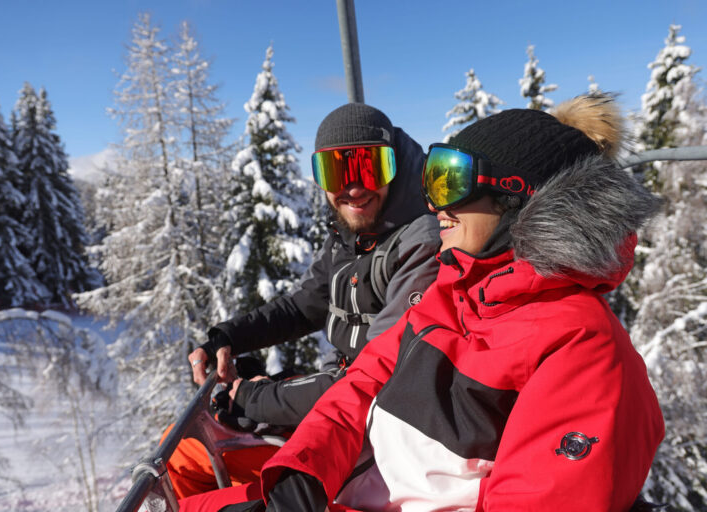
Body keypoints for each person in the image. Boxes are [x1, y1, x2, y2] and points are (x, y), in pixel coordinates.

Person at [180, 94, 665, 511]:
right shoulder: (455, 292)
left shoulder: (583, 350)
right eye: (433, 179)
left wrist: (253, 399)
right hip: (353, 478)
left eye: (452, 182)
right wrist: (301, 477)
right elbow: (363, 380)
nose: (435, 205)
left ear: (520, 201)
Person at [165, 103, 440, 497]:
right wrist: (228, 337)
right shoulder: (354, 233)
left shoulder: (421, 243)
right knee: (185, 448)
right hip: (340, 408)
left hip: (373, 434)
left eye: (370, 167)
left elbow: (375, 378)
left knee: (190, 460)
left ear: (394, 164)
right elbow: (302, 306)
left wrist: (254, 399)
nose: (353, 188)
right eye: (335, 172)